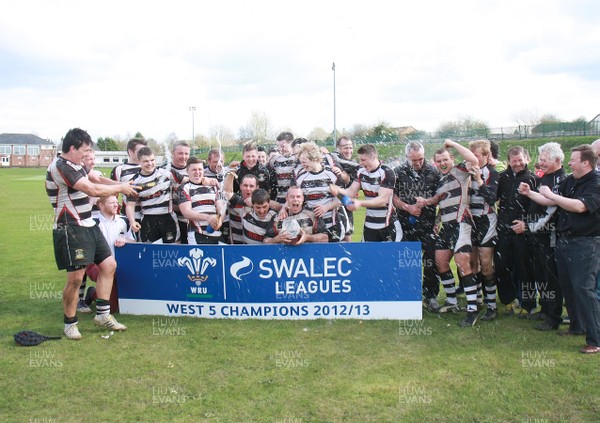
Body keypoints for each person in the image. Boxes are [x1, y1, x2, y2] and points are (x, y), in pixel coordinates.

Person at [45, 128, 140, 340]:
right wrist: (121, 188)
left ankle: (103, 315)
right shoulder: (61, 167)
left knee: (109, 265)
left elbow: (96, 178)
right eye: (85, 150)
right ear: (72, 148)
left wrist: (122, 185)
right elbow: (92, 190)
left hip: (88, 224)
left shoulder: (75, 165)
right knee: (76, 278)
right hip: (70, 227)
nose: (87, 154)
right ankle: (70, 323)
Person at [519, 145, 600, 354]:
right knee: (569, 287)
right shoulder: (571, 181)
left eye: (573, 160)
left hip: (586, 243)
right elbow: (548, 201)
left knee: (584, 289)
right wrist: (531, 194)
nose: (570, 163)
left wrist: (552, 196)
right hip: (564, 242)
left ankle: (595, 339)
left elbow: (580, 206)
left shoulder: (596, 183)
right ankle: (576, 326)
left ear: (586, 162)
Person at [415, 140, 480, 327]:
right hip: (446, 227)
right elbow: (439, 200)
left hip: (462, 223)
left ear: (452, 159)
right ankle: (452, 301)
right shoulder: (441, 179)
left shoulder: (460, 171)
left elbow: (473, 159)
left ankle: (472, 310)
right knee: (440, 262)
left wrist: (452, 143)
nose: (442, 163)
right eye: (438, 161)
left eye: (445, 159)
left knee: (462, 264)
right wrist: (426, 203)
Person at [512, 143, 566, 331]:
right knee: (541, 275)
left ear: (557, 160)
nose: (540, 163)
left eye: (544, 160)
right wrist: (529, 192)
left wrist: (529, 226)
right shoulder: (548, 177)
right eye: (540, 159)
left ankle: (553, 318)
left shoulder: (560, 179)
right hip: (538, 235)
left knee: (550, 277)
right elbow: (541, 202)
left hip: (548, 235)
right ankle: (545, 309)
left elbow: (551, 209)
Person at [393, 141, 441, 312]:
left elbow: (442, 197)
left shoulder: (434, 171)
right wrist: (408, 207)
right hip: (406, 224)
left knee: (430, 262)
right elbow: (393, 197)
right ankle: (410, 295)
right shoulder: (398, 172)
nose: (418, 163)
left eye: (420, 159)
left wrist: (437, 221)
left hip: (428, 225)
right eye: (414, 160)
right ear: (407, 157)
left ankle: (431, 296)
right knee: (408, 261)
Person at [495, 146, 536, 317]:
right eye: (514, 161)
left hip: (523, 232)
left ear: (526, 158)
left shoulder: (532, 179)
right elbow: (493, 198)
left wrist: (526, 223)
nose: (518, 164)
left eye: (520, 160)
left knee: (524, 269)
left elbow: (538, 206)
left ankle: (528, 305)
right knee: (502, 267)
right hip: (503, 230)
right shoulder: (502, 177)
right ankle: (508, 301)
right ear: (508, 162)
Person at [332, 144, 400, 242]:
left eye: (363, 160)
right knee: (366, 257)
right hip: (369, 225)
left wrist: (360, 203)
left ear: (373, 157)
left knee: (390, 257)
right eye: (360, 160)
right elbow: (350, 192)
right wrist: (337, 190)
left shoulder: (386, 172)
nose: (360, 163)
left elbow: (382, 200)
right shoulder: (361, 172)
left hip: (387, 225)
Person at [467, 140, 499, 321]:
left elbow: (492, 198)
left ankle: (492, 305)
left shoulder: (492, 172)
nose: (473, 159)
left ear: (486, 156)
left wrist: (479, 180)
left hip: (486, 221)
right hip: (470, 221)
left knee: (486, 265)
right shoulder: (466, 171)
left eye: (476, 156)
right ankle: (477, 299)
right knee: (472, 264)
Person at [126, 147, 178, 244]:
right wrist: (132, 221)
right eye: (146, 161)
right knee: (149, 251)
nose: (150, 164)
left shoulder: (166, 173)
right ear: (139, 161)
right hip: (148, 219)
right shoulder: (135, 182)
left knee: (171, 250)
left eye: (152, 160)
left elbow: (186, 181)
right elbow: (130, 205)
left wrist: (206, 180)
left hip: (167, 218)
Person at [295, 142, 344, 242]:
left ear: (315, 158)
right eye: (301, 162)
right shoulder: (300, 177)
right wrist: (284, 208)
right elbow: (295, 197)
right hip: (312, 227)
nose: (302, 165)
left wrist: (327, 207)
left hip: (332, 224)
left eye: (305, 161)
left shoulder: (332, 174)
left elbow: (344, 199)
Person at [178, 157, 224, 245]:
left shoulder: (213, 185)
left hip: (216, 232)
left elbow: (220, 207)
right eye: (194, 170)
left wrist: (219, 220)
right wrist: (207, 217)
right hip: (197, 233)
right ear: (187, 171)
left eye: (200, 169)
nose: (197, 172)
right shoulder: (184, 188)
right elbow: (186, 212)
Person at [110, 137, 147, 228]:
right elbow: (113, 193)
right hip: (128, 214)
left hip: (148, 214)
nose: (143, 154)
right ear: (130, 152)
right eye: (140, 151)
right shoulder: (119, 169)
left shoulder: (148, 167)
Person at [330, 136, 359, 241]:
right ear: (338, 148)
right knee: (340, 236)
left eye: (350, 147)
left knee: (347, 234)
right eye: (345, 147)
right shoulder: (333, 158)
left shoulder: (352, 164)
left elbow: (348, 181)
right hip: (336, 202)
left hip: (346, 202)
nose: (349, 151)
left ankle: (349, 256)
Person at [204, 148, 231, 243]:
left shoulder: (228, 173)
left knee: (224, 242)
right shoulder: (202, 174)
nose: (219, 164)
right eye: (215, 162)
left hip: (225, 216)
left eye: (221, 161)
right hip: (208, 216)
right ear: (208, 161)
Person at [167, 141, 191, 243]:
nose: (184, 157)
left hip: (190, 219)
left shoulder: (195, 169)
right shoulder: (165, 171)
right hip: (171, 219)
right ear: (173, 153)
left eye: (186, 154)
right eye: (180, 153)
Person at [268, 132, 297, 204]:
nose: (280, 149)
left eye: (283, 146)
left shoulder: (299, 159)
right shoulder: (274, 160)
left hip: (295, 199)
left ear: (291, 144)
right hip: (280, 199)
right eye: (278, 146)